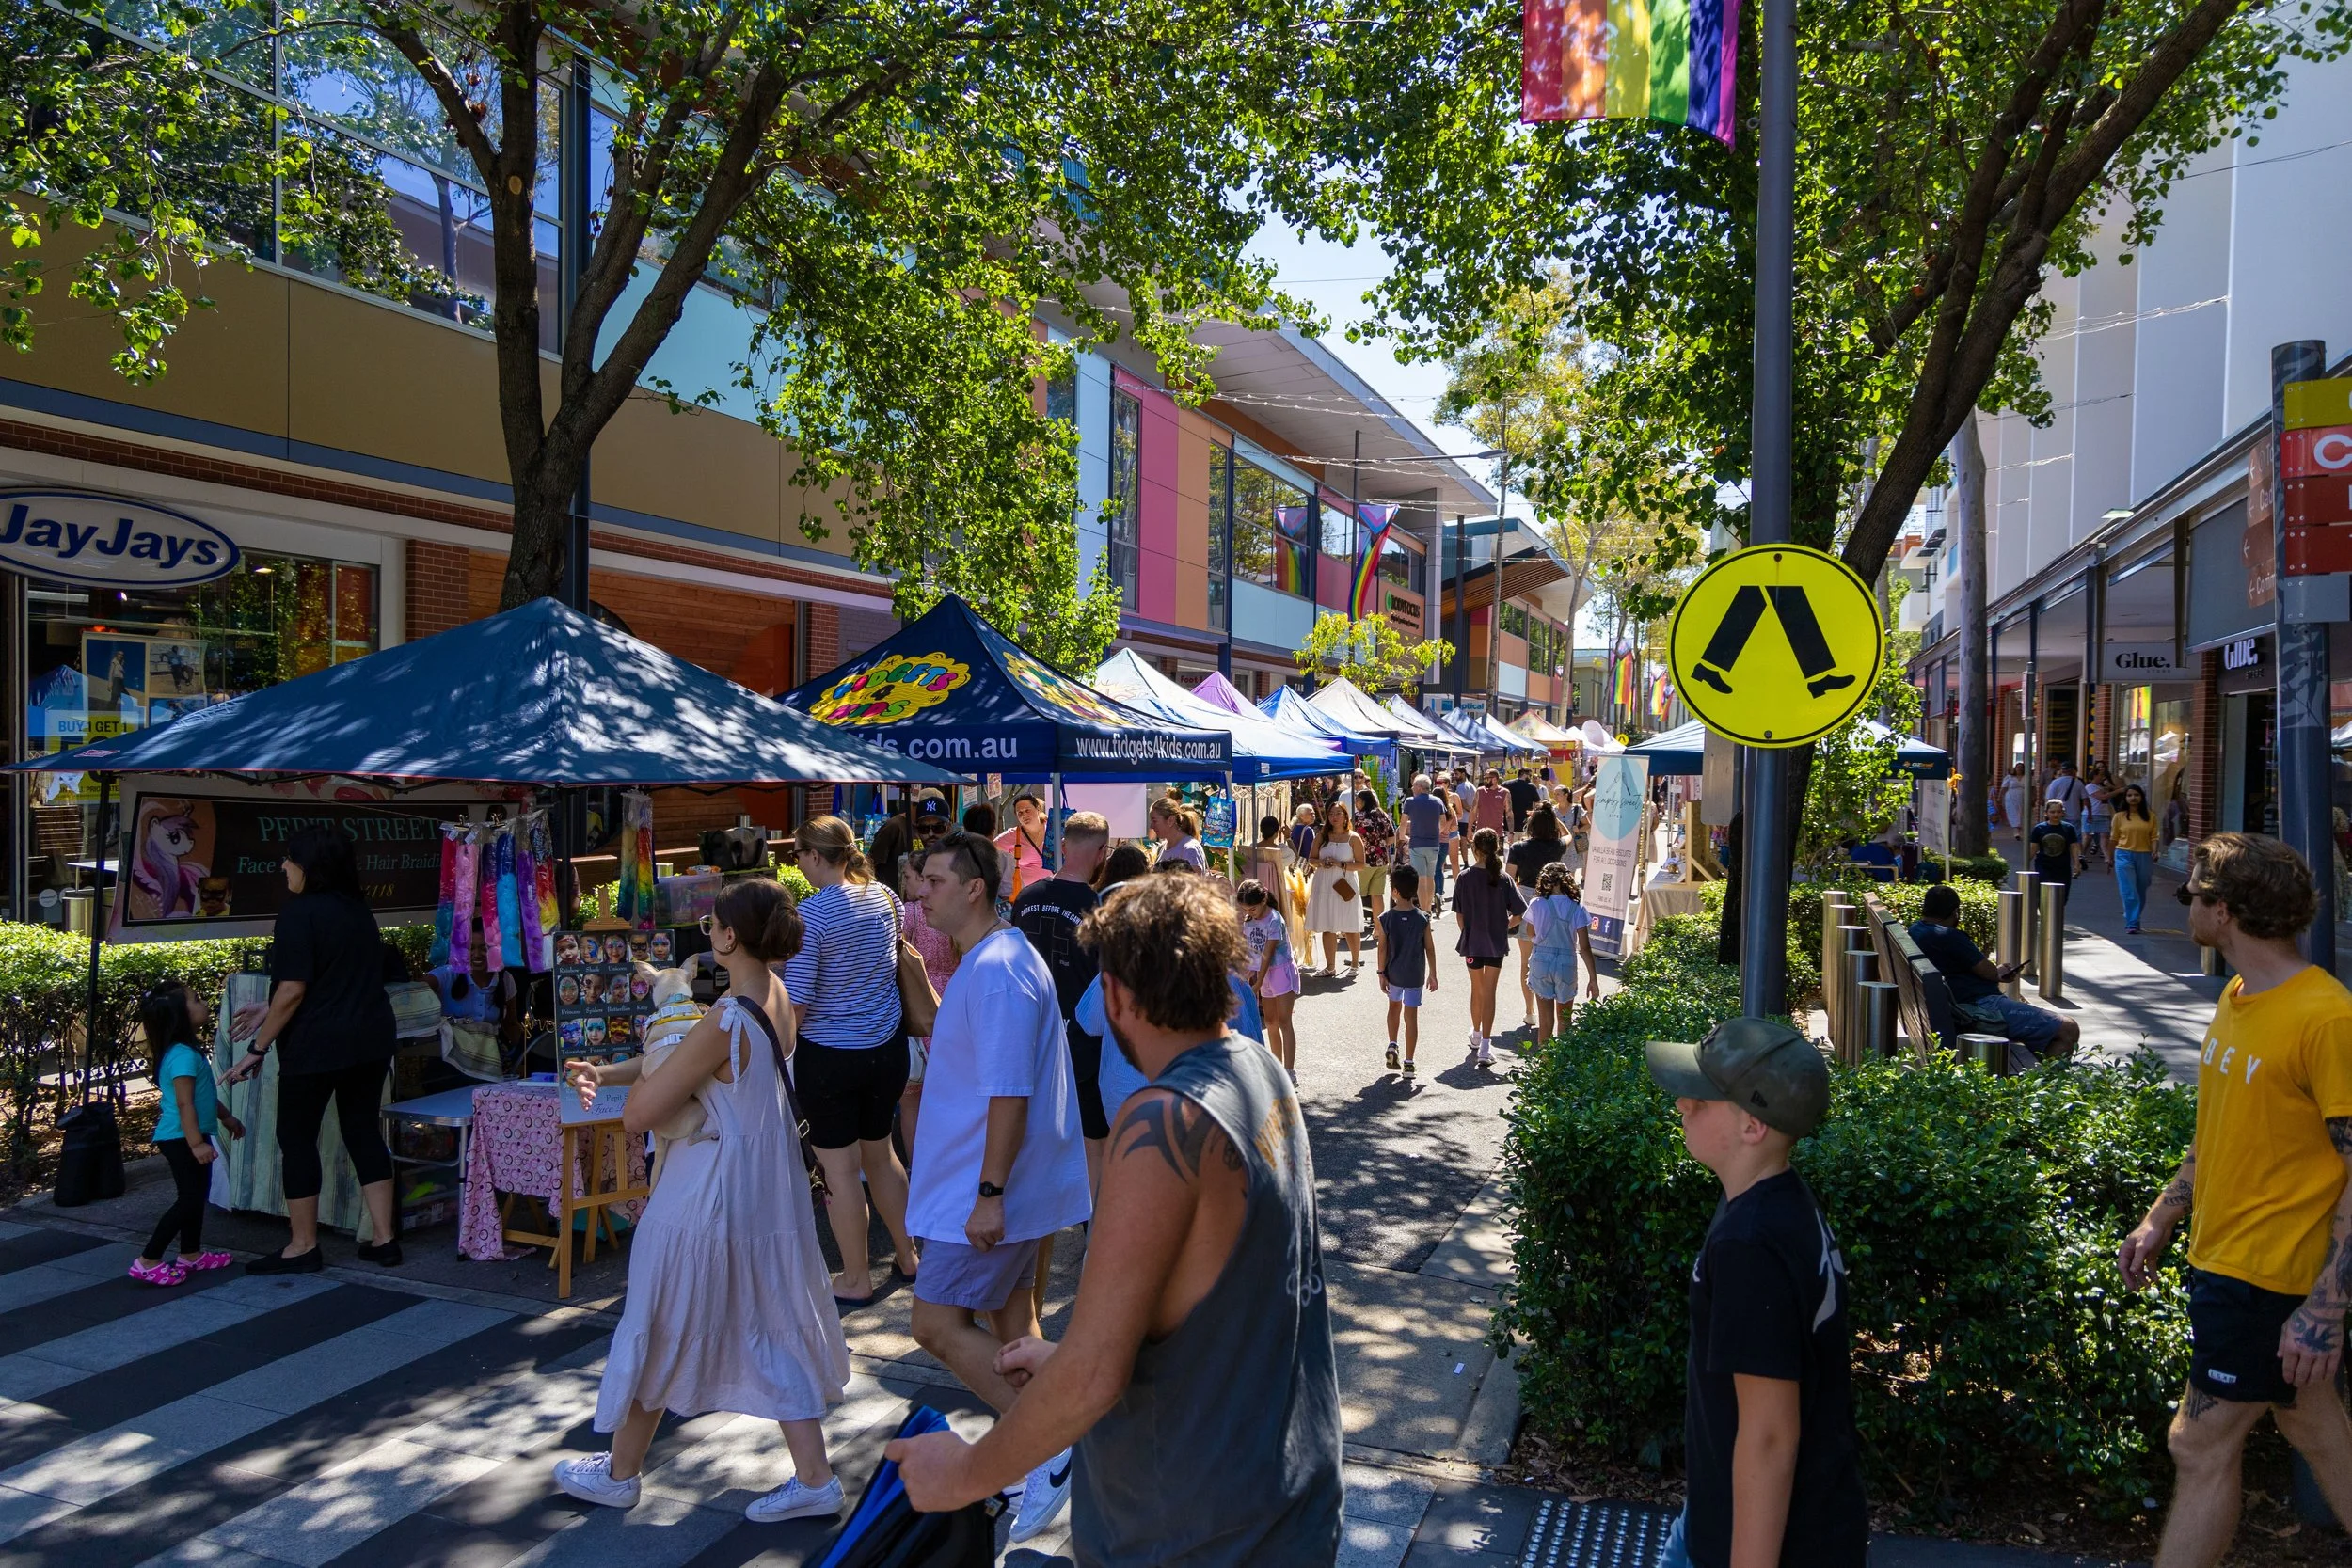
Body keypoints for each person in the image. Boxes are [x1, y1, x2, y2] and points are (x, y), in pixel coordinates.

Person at [885, 873, 1343, 1565]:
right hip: (1284, 1495)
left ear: (1116, 994)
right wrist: (1066, 1357)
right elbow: (1203, 1300)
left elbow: (1094, 1375)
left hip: (1188, 1529)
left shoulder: (1162, 1121)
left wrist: (963, 1472)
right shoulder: (1258, 1065)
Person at [554, 879, 851, 1523]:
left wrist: (623, 1077)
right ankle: (813, 1476)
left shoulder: (727, 1016)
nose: (708, 931)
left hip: (706, 1189)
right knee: (772, 1325)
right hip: (763, 1193)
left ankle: (620, 1471)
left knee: (661, 1316)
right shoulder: (773, 999)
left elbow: (640, 1114)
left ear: (730, 935)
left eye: (714, 923)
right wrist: (615, 1070)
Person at [2118, 833, 2352, 1567]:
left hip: (2268, 1278)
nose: (2185, 905)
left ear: (2225, 911)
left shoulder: (2325, 1018)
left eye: (2194, 895)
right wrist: (2164, 1212)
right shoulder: (2238, 993)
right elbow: (2218, 1129)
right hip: (2228, 1259)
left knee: (2199, 1441)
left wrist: (2324, 1306)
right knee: (2314, 1426)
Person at [906, 830, 1093, 1544]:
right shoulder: (995, 960)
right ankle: (1058, 1450)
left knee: (935, 1324)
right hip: (996, 1190)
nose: (923, 893)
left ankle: (1050, 1449)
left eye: (934, 881)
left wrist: (988, 1191)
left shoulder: (1000, 967)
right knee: (1016, 1330)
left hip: (987, 1194)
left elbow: (1010, 1090)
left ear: (975, 886)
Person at [1645, 1018, 1867, 1568]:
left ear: (1752, 1126)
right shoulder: (1777, 1203)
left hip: (1760, 1546)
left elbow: (1769, 1437)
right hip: (1721, 1521)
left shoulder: (1751, 1245)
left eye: (1702, 1095)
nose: (1682, 1104)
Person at [223, 825, 403, 1273]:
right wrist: (270, 1007)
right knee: (361, 1130)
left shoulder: (298, 914)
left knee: (295, 1137)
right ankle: (384, 1239)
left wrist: (257, 1050)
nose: (284, 866)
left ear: (309, 866)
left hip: (318, 1044)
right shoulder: (359, 911)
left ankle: (302, 1246)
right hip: (371, 1037)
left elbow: (294, 991)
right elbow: (332, 978)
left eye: (290, 859)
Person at [783, 815, 918, 1307]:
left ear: (816, 856)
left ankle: (857, 1277)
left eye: (797, 853)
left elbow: (797, 1004)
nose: (796, 862)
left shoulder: (811, 916)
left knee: (839, 1173)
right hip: (886, 1048)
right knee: (882, 1154)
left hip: (832, 1055)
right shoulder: (885, 897)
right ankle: (907, 1255)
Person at [1014, 811, 1112, 1190]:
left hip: (1031, 1033)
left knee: (1034, 1135)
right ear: (1102, 851)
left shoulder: (1026, 899)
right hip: (1083, 1040)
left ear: (1065, 845)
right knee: (1093, 1140)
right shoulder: (1101, 911)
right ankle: (1093, 1234)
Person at [132, 981, 244, 1285]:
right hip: (181, 1139)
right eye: (196, 1000)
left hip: (189, 1137)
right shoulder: (182, 1056)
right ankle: (148, 1259)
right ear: (181, 1016)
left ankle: (191, 1254)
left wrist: (228, 1118)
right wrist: (196, 1144)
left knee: (195, 1196)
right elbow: (184, 1104)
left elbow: (203, 1097)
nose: (203, 1002)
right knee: (189, 1199)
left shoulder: (187, 1052)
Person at [1907, 883, 2079, 1059]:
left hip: (1955, 1005)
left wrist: (1996, 973)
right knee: (2068, 1028)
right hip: (1977, 1008)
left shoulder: (1916, 929)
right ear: (1954, 912)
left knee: (2049, 1031)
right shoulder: (1949, 936)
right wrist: (1998, 972)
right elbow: (1988, 972)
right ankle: (2043, 1083)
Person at [898, 850, 959, 1161]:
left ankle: (917, 1168)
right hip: (950, 1004)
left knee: (911, 1103)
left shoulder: (909, 914)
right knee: (949, 1098)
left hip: (918, 1005)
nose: (906, 883)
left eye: (908, 876)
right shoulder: (955, 912)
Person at [1453, 827, 1524, 1066]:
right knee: (1490, 991)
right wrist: (1503, 927)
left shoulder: (1464, 877)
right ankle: (1485, 1045)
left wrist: (1468, 934)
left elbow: (1459, 915)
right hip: (1495, 942)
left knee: (1477, 988)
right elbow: (1519, 913)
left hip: (1473, 942)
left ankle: (1475, 1032)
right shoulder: (1503, 878)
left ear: (1474, 848)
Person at [1506, 806, 1571, 1032]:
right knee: (1551, 952)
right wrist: (1555, 819)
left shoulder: (1518, 847)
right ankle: (1549, 1009)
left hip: (1525, 899)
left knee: (1526, 959)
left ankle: (1530, 1010)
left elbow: (1509, 877)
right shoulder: (1557, 846)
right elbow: (1568, 835)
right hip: (1552, 900)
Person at [1524, 862, 1597, 1042]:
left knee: (1545, 1019)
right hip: (1566, 961)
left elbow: (1530, 932)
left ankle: (1544, 1062)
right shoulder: (1577, 907)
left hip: (1541, 959)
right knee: (1565, 1019)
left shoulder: (1537, 903)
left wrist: (1538, 943)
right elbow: (1585, 947)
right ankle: (1561, 1065)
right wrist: (1593, 978)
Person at [1376, 866, 1437, 1078]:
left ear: (1394, 891)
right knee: (1411, 1016)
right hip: (1415, 975)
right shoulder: (1423, 918)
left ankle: (1392, 1044)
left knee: (1393, 1008)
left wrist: (1381, 973)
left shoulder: (1386, 918)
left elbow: (1382, 947)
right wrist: (1433, 974)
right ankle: (1409, 1062)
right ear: (1415, 890)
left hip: (1394, 973)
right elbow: (1429, 947)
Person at [1236, 879, 1300, 1075]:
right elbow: (1250, 952)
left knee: (1284, 1022)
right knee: (1270, 1022)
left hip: (1280, 971)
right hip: (1263, 974)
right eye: (1245, 909)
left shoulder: (1274, 919)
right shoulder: (1249, 921)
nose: (1249, 913)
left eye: (1252, 909)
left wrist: (1258, 983)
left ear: (1263, 901)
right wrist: (1244, 975)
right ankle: (1276, 1068)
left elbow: (1267, 954)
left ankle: (1289, 1070)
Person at [1304, 801, 1366, 974]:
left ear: (1346, 816)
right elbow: (1311, 859)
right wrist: (1322, 863)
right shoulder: (1321, 836)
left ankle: (1354, 964)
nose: (1334, 817)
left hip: (1345, 884)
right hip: (1324, 883)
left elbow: (1361, 865)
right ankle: (1330, 966)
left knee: (1350, 925)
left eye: (1338, 813)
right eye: (1331, 813)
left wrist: (1341, 864)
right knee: (1327, 925)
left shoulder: (1353, 837)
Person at [1401, 773, 1450, 912]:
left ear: (1419, 787)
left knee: (1421, 879)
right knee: (1430, 877)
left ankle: (1424, 911)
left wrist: (1403, 836)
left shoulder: (1410, 801)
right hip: (1434, 844)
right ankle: (1429, 907)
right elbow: (1443, 821)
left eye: (1414, 785)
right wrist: (1436, 833)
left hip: (1417, 844)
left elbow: (1403, 822)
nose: (1412, 787)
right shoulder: (1438, 801)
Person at [2112, 783, 2156, 935]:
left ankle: (2134, 916)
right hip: (2123, 854)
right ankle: (2132, 922)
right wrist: (2110, 859)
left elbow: (2154, 837)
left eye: (2136, 795)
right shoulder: (2119, 817)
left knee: (2141, 889)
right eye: (2129, 795)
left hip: (2144, 855)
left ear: (2142, 797)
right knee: (2129, 891)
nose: (2133, 798)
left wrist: (2155, 852)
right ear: (2125, 798)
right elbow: (2114, 838)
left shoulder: (2150, 816)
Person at [996, 793, 1053, 900]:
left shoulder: (1053, 829)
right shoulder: (1013, 835)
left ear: (1037, 809)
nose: (1024, 815)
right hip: (1027, 898)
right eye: (1019, 813)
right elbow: (990, 850)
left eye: (1027, 810)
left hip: (1054, 893)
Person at [1354, 787, 1395, 917]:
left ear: (1364, 801)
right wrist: (1379, 844)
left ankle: (1354, 929)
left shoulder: (1358, 817)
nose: (1356, 803)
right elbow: (1392, 837)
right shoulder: (1383, 815)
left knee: (1356, 894)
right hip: (1381, 860)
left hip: (1363, 861)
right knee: (1377, 895)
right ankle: (1378, 929)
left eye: (1358, 800)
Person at [2028, 798, 2082, 891]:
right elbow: (2033, 848)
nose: (2055, 814)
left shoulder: (2069, 828)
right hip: (2044, 866)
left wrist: (2077, 864)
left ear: (2063, 813)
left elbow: (2074, 847)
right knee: (2045, 895)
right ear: (2046, 813)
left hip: (2062, 868)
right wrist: (2026, 863)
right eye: (2052, 812)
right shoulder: (2039, 828)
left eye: (2058, 811)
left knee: (2061, 897)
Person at [1151, 796, 1207, 871]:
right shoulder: (1162, 848)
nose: (1151, 826)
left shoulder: (1190, 849)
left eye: (1155, 821)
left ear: (1171, 820)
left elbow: (1193, 881)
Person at [2081, 768, 2113, 869]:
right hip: (2092, 814)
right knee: (2088, 836)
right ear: (2094, 776)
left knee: (2105, 836)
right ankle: (2081, 855)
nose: (2103, 778)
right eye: (2101, 775)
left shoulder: (2100, 786)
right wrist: (2118, 791)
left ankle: (2107, 858)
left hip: (2103, 813)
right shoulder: (2090, 787)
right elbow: (2103, 797)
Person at [1475, 768, 1511, 844]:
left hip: (1497, 833)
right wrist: (1469, 829)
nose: (1485, 780)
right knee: (1480, 855)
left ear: (1494, 779)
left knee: (1496, 855)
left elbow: (1509, 813)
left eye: (1487, 778)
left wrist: (1511, 832)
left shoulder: (1505, 792)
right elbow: (1473, 811)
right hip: (1481, 832)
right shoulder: (1480, 791)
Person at [1504, 766, 1541, 835]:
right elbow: (1538, 804)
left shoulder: (1506, 784)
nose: (1530, 778)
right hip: (1524, 824)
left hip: (1508, 825)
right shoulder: (1531, 786)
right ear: (1524, 774)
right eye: (1530, 775)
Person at [2000, 763, 2027, 833]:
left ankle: (2020, 828)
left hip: (2023, 796)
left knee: (2022, 812)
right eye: (2018, 767)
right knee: (2013, 812)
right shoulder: (2009, 777)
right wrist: (1999, 797)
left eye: (2021, 767)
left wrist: (2033, 797)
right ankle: (2016, 830)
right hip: (2011, 796)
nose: (2019, 768)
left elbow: (2032, 788)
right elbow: (2004, 788)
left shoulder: (2027, 777)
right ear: (2015, 768)